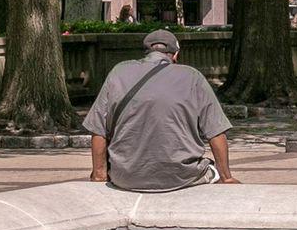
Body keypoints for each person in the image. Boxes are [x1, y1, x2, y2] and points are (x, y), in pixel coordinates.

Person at [85, 29, 237, 191]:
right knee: (212, 170)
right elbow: (216, 132)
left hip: (125, 177)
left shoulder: (118, 72)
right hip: (183, 176)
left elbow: (98, 130)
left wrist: (99, 175)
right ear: (176, 54)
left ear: (146, 52)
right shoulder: (193, 77)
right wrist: (226, 177)